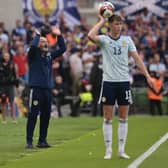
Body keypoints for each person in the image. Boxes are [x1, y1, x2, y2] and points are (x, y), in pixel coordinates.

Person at [88, 14, 154, 159]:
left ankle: (121, 150)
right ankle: (108, 149)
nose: (119, 26)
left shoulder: (127, 40)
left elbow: (137, 59)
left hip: (124, 82)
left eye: (120, 24)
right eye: (116, 24)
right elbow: (90, 35)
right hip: (109, 83)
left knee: (124, 117)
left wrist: (147, 76)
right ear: (110, 25)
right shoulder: (104, 40)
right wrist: (101, 21)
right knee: (108, 117)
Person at [26, 28, 66, 149]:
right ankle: (29, 141)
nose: (45, 43)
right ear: (37, 43)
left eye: (46, 42)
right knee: (33, 115)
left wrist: (59, 36)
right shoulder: (33, 54)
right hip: (36, 89)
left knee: (46, 116)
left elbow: (63, 49)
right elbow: (33, 47)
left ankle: (42, 140)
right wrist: (38, 35)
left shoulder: (49, 56)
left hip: (47, 90)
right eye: (42, 42)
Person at [0, 52, 18, 124]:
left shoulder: (12, 64)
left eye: (8, 56)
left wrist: (16, 84)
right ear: (3, 57)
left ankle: (13, 119)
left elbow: (15, 74)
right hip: (3, 86)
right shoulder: (0, 65)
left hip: (10, 86)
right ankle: (4, 119)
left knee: (12, 102)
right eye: (5, 56)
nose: (7, 57)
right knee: (3, 102)